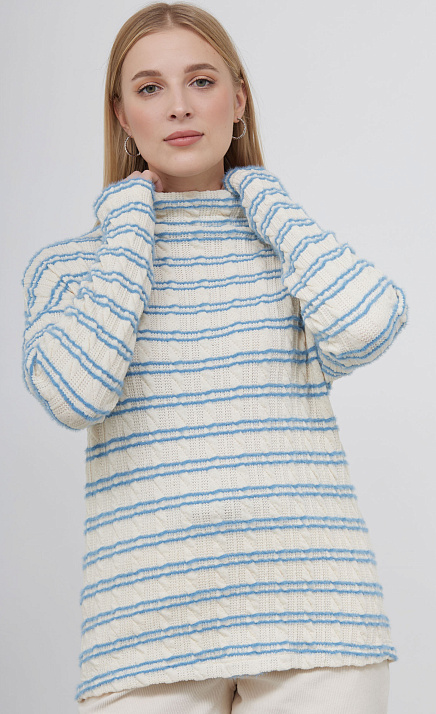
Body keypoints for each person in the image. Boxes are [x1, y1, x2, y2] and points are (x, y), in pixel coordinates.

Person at [21, 3, 408, 713]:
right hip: (142, 636)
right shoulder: (72, 269)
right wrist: (130, 224)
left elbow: (370, 323)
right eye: (150, 88)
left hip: (318, 624)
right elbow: (77, 396)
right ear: (121, 115)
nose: (179, 106)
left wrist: (259, 192)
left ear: (239, 98)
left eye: (201, 81)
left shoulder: (287, 247)